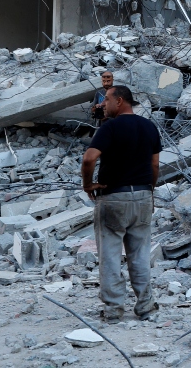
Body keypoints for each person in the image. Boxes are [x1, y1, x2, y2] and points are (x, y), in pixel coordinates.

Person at [81, 85, 162, 322]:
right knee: (139, 254)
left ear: (120, 101)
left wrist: (88, 185)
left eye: (107, 99)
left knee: (110, 255)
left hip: (113, 197)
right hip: (143, 197)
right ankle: (146, 307)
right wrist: (149, 188)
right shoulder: (149, 126)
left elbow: (89, 158)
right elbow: (155, 165)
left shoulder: (111, 127)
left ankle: (114, 309)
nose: (103, 104)